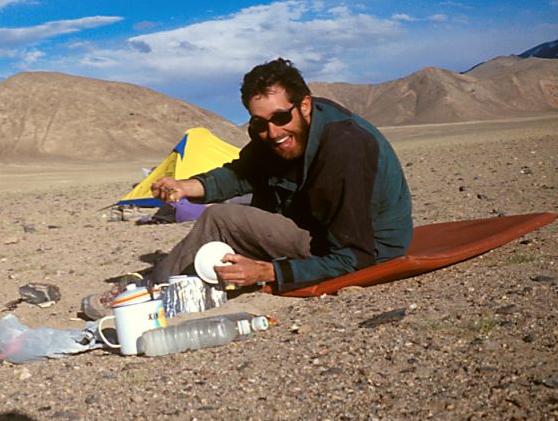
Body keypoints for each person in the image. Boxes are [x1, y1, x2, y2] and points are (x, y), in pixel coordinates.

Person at [149, 57, 413, 293]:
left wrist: (269, 272)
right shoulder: (282, 130)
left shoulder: (343, 150)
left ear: (305, 105)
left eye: (281, 117)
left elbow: (354, 255)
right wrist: (187, 186)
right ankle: (167, 279)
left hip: (369, 249)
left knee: (220, 219)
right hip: (319, 229)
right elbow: (242, 173)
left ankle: (153, 290)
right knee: (235, 218)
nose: (273, 132)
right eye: (261, 123)